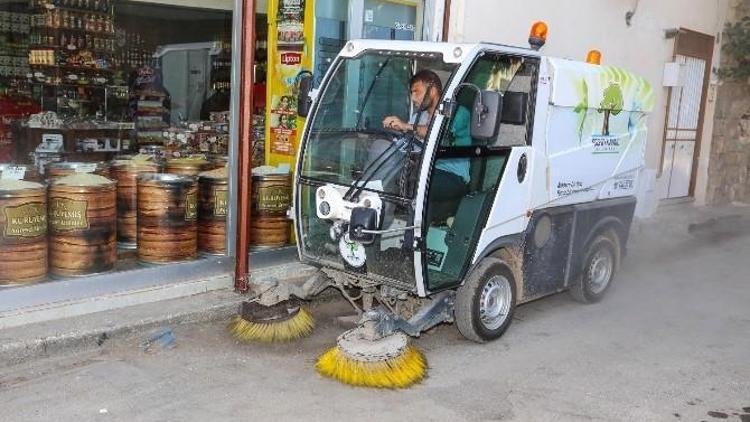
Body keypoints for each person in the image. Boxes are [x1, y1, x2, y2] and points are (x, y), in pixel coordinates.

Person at [382, 69, 472, 225]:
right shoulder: (418, 117)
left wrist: (406, 126)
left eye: (417, 92)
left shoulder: (458, 112)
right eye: (411, 93)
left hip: (452, 176)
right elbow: (407, 145)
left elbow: (438, 132)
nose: (413, 98)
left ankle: (410, 245)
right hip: (421, 170)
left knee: (419, 185)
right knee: (385, 179)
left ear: (433, 90)